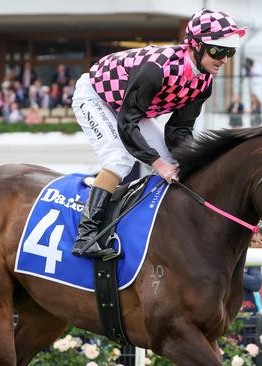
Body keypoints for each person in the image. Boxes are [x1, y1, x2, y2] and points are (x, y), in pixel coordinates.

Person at [70, 9, 246, 257]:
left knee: (178, 165)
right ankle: (86, 236)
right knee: (119, 159)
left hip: (130, 110)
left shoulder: (204, 82)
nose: (224, 59)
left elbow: (178, 131)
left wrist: (187, 162)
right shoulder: (156, 68)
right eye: (218, 50)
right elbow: (127, 124)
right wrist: (157, 164)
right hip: (95, 96)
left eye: (230, 52)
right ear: (194, 45)